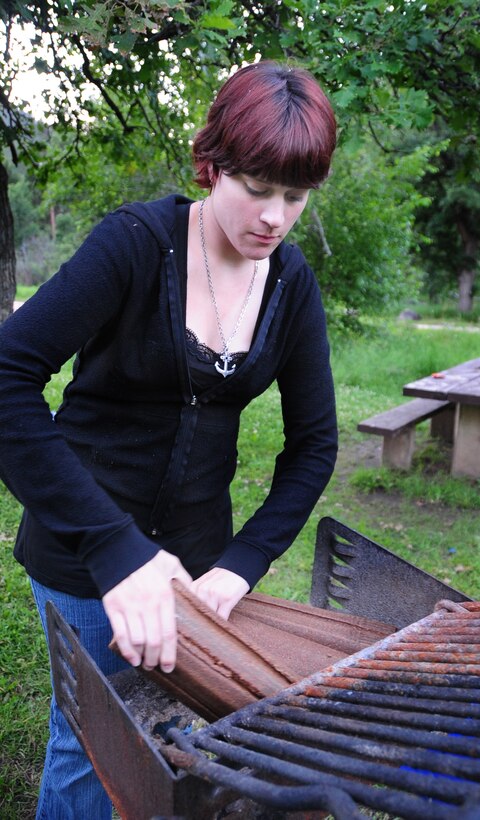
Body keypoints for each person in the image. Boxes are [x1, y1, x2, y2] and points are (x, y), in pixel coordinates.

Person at [0, 61, 338, 818]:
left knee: (165, 743)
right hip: (85, 546)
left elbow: (314, 444)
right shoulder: (134, 244)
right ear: (211, 165)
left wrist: (240, 564)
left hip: (199, 566)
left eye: (295, 194)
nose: (275, 217)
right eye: (257, 187)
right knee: (90, 745)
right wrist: (115, 550)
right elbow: (7, 381)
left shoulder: (291, 283)